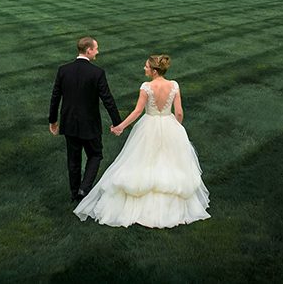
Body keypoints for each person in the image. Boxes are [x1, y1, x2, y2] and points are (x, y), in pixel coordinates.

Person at [74, 54, 210, 228]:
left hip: (149, 126)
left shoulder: (146, 87)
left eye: (146, 66)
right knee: (170, 163)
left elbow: (137, 112)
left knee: (143, 161)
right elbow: (180, 112)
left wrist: (121, 126)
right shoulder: (174, 85)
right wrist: (177, 127)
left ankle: (142, 205)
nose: (144, 68)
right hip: (170, 124)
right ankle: (171, 205)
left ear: (154, 70)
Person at [49, 36, 122, 203]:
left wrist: (53, 120)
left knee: (73, 160)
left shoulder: (63, 70)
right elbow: (107, 99)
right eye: (96, 48)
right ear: (88, 50)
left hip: (69, 124)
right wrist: (117, 122)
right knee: (95, 155)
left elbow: (55, 97)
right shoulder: (97, 73)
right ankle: (84, 188)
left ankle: (75, 194)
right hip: (90, 124)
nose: (98, 51)